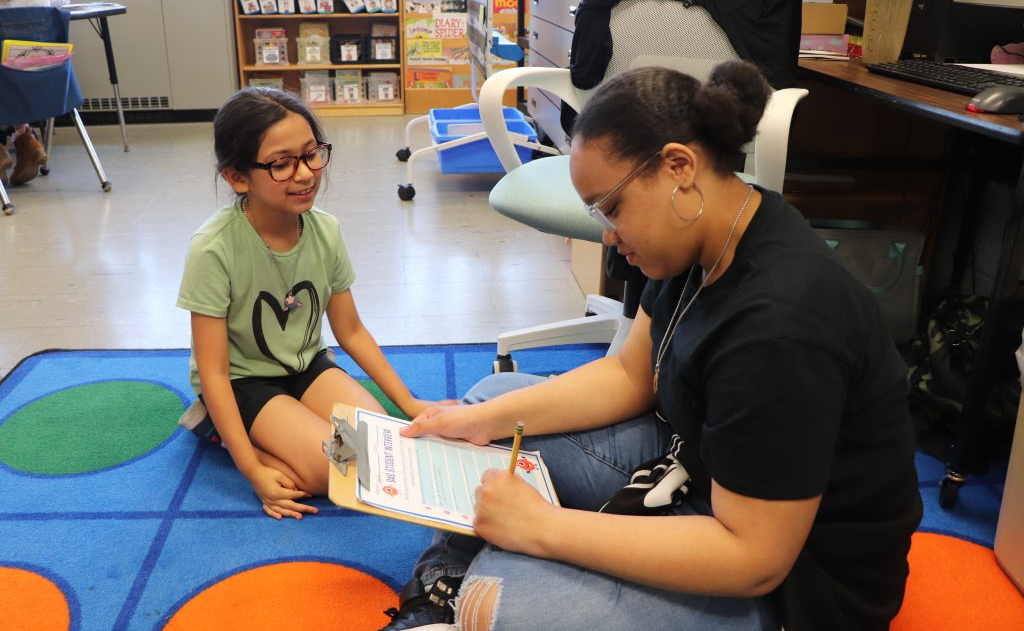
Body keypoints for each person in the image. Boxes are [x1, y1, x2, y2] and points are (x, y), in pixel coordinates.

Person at [380, 62, 922, 631]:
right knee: (487, 405)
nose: (609, 236)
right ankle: (448, 582)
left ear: (678, 167)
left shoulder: (780, 325)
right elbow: (630, 375)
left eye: (612, 208)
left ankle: (459, 579)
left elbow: (754, 560)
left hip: (794, 583)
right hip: (695, 468)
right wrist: (484, 421)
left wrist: (543, 528)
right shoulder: (695, 231)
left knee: (498, 603)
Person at [177, 87, 451, 520]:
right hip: (243, 382)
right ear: (237, 177)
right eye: (281, 164)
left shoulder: (325, 230)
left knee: (379, 450)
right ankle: (221, 432)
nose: (304, 174)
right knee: (335, 469)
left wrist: (410, 405)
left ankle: (276, 437)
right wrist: (252, 469)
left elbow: (351, 331)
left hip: (306, 366)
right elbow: (213, 372)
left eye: (311, 155)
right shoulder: (213, 249)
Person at [0, 0, 67, 186]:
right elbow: (61, 3)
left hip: (6, 88)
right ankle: (25, 138)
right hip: (47, 82)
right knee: (13, 59)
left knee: (6, 65)